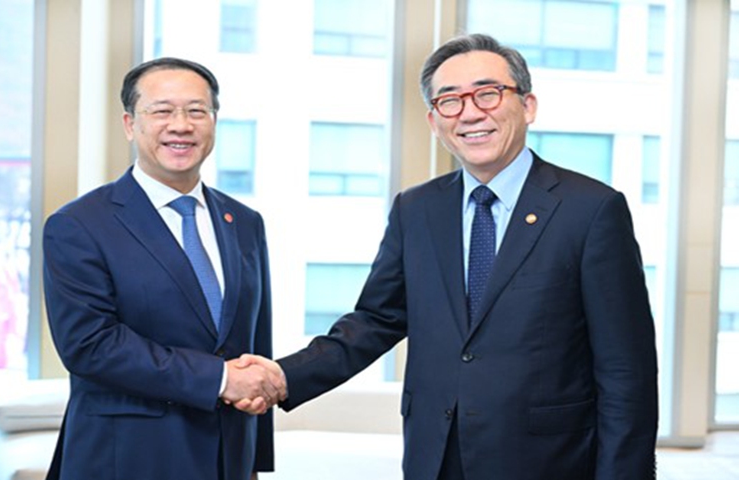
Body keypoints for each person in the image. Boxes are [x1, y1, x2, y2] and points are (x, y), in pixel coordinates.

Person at [238, 33, 659, 480]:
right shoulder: (416, 209)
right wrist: (285, 376)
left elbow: (625, 370)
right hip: (436, 456)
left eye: (488, 93)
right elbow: (377, 320)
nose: (471, 112)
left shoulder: (590, 209)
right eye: (450, 101)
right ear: (434, 120)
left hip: (548, 460)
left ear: (528, 105)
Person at [42, 57, 285, 480]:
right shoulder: (79, 224)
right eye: (162, 111)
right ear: (129, 123)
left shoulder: (245, 222)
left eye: (197, 111)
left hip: (228, 458)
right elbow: (90, 345)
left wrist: (254, 461)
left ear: (213, 121)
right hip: (126, 459)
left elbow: (251, 343)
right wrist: (220, 379)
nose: (181, 125)